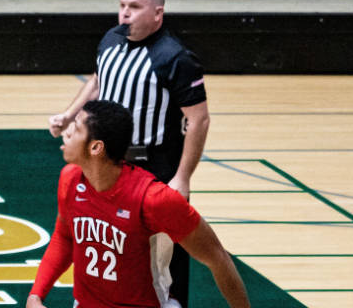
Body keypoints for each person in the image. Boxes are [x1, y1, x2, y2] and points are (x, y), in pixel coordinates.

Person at [48, 0, 210, 308]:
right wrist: (68, 115)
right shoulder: (111, 38)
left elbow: (199, 119)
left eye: (134, 8)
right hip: (107, 163)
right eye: (122, 5)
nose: (125, 14)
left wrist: (182, 177)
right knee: (112, 239)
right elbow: (98, 82)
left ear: (157, 13)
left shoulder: (176, 58)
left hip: (153, 162)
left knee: (166, 250)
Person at [28, 100, 249, 308]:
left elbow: (217, 257)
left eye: (75, 129)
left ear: (96, 148)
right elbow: (65, 237)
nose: (66, 132)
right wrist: (36, 295)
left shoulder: (155, 199)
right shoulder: (70, 179)